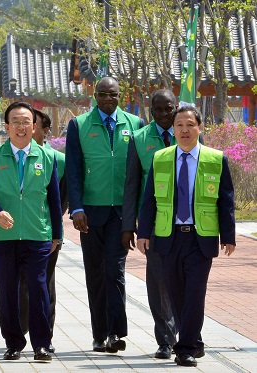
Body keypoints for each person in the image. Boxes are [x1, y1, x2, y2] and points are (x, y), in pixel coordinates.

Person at [137, 106, 236, 367]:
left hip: (199, 237)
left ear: (199, 128)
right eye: (179, 124)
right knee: (176, 293)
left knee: (194, 293)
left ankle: (185, 349)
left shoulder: (215, 159)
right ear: (173, 128)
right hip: (167, 237)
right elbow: (148, 201)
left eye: (190, 124)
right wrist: (143, 233)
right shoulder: (160, 158)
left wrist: (228, 235)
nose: (184, 130)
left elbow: (225, 200)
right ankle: (195, 340)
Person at [0, 102, 62, 362]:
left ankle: (42, 344)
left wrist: (56, 235)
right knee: (8, 290)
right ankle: (13, 342)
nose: (21, 126)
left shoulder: (47, 157)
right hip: (4, 236)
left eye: (26, 121)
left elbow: (55, 200)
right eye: (15, 121)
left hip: (38, 233)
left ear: (34, 126)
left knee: (39, 288)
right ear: (6, 127)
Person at [65, 77, 141, 353]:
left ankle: (116, 332)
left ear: (121, 95)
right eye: (103, 94)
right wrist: (77, 208)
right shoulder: (79, 125)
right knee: (95, 273)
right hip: (91, 212)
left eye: (113, 94)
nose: (108, 99)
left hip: (122, 212)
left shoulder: (135, 124)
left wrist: (136, 216)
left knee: (115, 270)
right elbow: (73, 169)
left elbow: (140, 173)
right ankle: (100, 333)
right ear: (94, 95)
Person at [121, 89, 178, 359]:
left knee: (184, 279)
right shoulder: (140, 139)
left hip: (185, 221)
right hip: (153, 223)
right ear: (150, 111)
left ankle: (182, 331)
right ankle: (165, 339)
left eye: (170, 109)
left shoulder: (189, 134)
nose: (165, 115)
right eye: (159, 110)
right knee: (157, 282)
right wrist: (129, 225)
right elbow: (131, 185)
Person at [18, 109, 68, 354]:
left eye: (29, 123)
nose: (23, 127)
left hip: (45, 233)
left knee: (45, 283)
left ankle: (45, 335)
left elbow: (62, 199)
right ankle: (20, 330)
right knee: (20, 283)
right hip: (16, 233)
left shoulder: (56, 160)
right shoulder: (10, 156)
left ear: (41, 129)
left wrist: (52, 228)